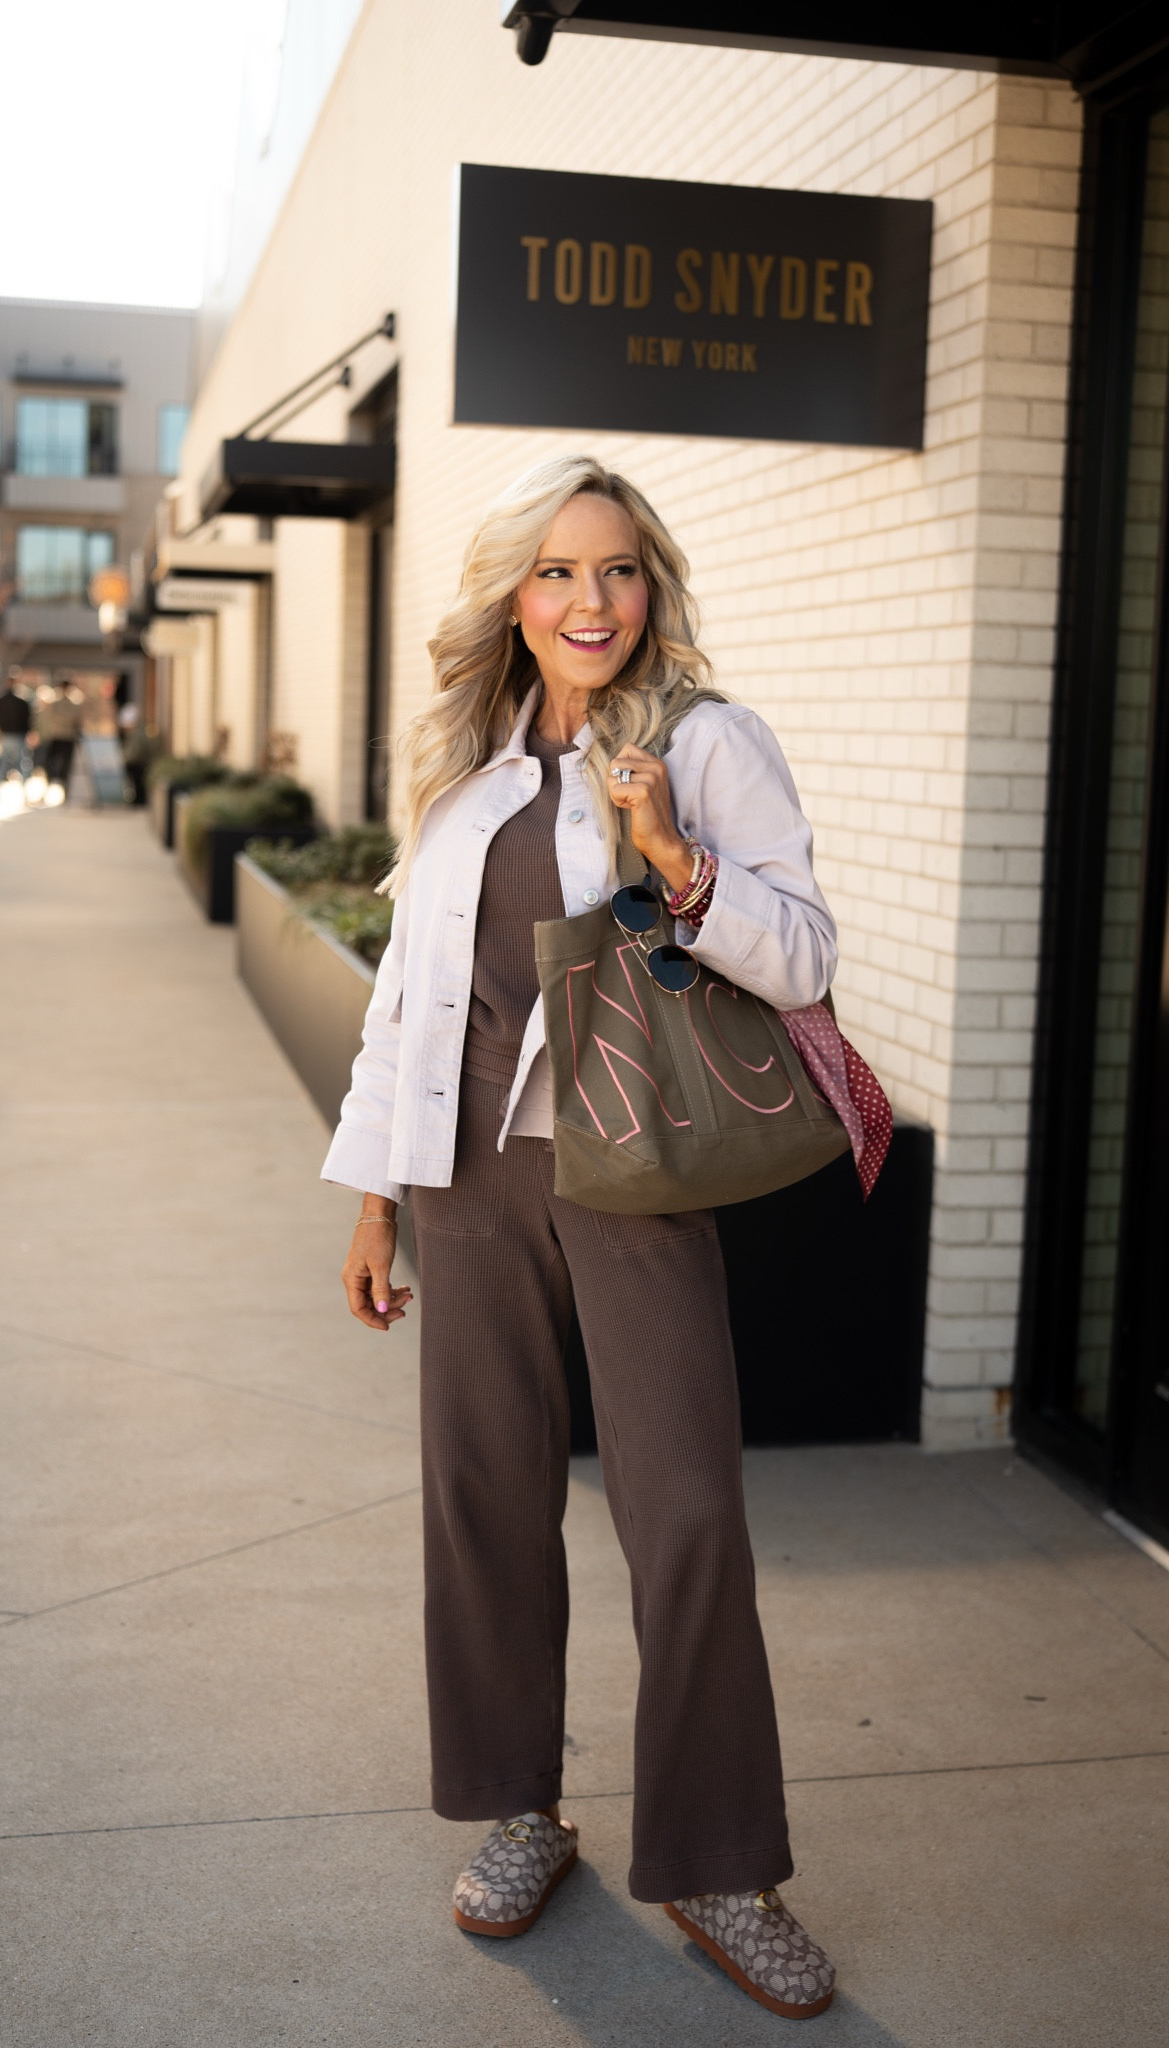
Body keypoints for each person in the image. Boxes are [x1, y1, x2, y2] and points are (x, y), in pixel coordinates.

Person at [324, 456, 839, 2020]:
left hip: (625, 1169)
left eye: (615, 571)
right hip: (460, 1177)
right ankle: (516, 1809)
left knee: (683, 1513)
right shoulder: (469, 756)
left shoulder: (704, 739)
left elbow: (803, 954)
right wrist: (370, 1192)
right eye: (554, 572)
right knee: (479, 1499)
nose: (588, 602)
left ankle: (717, 1867)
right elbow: (405, 991)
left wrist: (676, 858)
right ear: (513, 595)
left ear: (650, 587)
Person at [33, 680, 83, 791]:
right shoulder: (57, 703)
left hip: (63, 736)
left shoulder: (72, 704)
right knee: (52, 761)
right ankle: (55, 780)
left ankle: (61, 782)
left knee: (63, 762)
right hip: (59, 736)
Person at [0, 673, 34, 789]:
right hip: (17, 735)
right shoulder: (22, 700)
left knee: (3, 764)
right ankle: (25, 790)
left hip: (7, 735)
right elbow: (28, 718)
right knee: (22, 764)